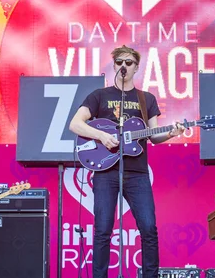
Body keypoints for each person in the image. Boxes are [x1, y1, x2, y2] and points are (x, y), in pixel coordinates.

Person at [69, 45, 185, 278]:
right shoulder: (99, 96)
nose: (124, 65)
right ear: (114, 65)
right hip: (106, 171)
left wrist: (172, 133)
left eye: (129, 62)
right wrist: (102, 135)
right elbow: (75, 124)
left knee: (149, 229)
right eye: (119, 62)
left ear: (136, 68)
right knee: (102, 230)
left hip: (137, 172)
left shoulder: (146, 99)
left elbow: (153, 135)